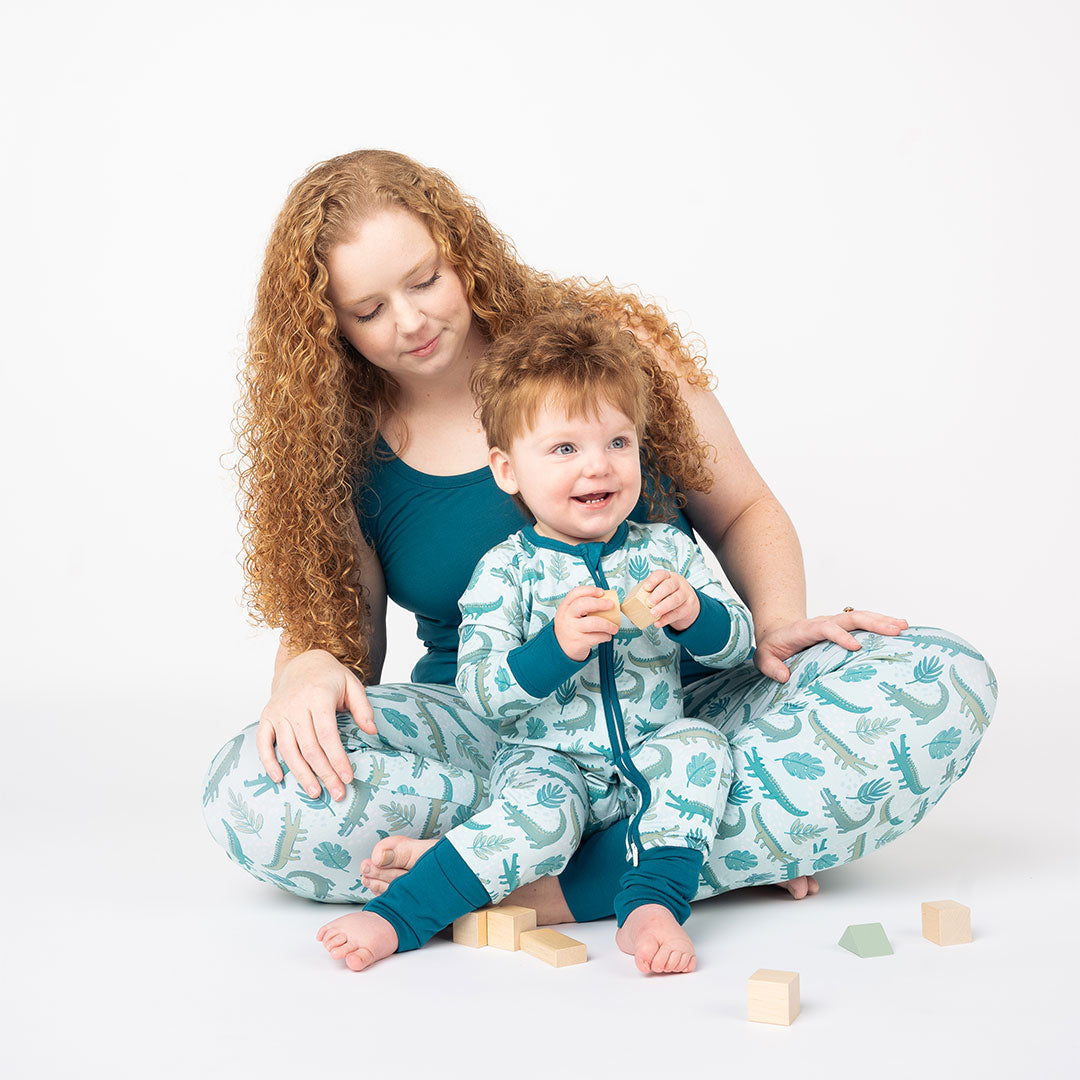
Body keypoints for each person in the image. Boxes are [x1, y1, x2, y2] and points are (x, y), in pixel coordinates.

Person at [202, 149, 996, 947]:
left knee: (945, 677)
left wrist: (777, 618)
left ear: (464, 255)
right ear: (326, 324)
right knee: (251, 793)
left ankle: (515, 883)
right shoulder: (340, 449)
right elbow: (347, 644)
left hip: (690, 713)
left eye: (424, 280)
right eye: (367, 310)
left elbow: (744, 506)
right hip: (501, 741)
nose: (408, 321)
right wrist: (304, 662)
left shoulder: (601, 354)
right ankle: (727, 843)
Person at [317, 310, 755, 973]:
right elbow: (482, 692)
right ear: (506, 469)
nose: (597, 468)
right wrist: (556, 646)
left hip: (651, 747)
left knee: (701, 750)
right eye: (564, 449)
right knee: (538, 817)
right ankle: (399, 916)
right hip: (549, 760)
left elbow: (739, 645)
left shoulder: (666, 548)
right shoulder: (505, 571)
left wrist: (697, 615)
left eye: (617, 443)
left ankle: (651, 903)